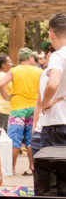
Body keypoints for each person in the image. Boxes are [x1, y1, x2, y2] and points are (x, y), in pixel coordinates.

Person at [0, 48, 42, 174]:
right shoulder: (39, 71)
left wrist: (6, 97)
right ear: (29, 58)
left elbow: (1, 84)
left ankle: (11, 168)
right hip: (34, 108)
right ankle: (31, 167)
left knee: (15, 140)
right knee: (31, 139)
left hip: (17, 109)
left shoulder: (14, 71)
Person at [39, 13, 66, 147]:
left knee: (54, 167)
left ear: (51, 35)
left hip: (57, 122)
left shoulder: (58, 55)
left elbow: (53, 83)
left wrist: (45, 102)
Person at [0, 53, 13, 131]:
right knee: (3, 134)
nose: (11, 64)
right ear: (3, 65)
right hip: (4, 109)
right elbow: (13, 89)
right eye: (9, 62)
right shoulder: (5, 76)